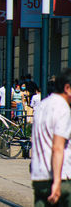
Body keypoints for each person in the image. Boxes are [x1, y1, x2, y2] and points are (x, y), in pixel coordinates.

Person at [31, 68, 71, 206]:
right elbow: (57, 148)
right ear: (67, 88)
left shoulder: (41, 106)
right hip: (61, 177)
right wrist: (57, 182)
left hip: (39, 177)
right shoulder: (63, 109)